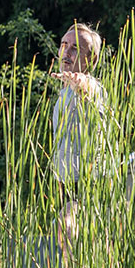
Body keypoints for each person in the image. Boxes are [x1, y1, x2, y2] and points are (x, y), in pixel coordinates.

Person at [51, 22, 106, 243]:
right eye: (64, 45)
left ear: (91, 60)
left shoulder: (94, 88)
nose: (66, 52)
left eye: (75, 48)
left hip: (88, 186)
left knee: (66, 227)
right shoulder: (63, 93)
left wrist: (80, 83)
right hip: (64, 186)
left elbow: (88, 88)